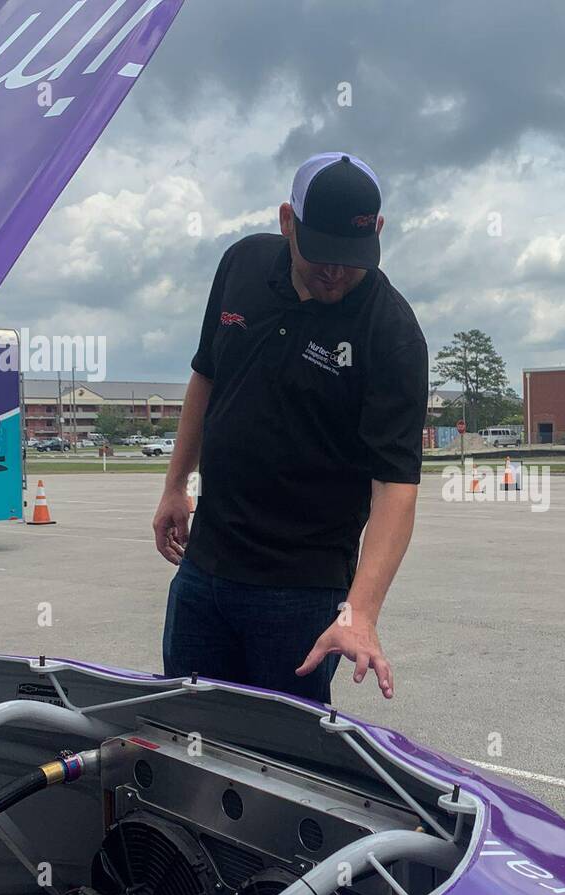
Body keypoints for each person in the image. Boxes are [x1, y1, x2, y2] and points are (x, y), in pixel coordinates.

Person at [154, 152, 428, 704]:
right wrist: (174, 484)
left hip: (300, 590)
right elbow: (206, 377)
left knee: (280, 762)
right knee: (185, 732)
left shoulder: (391, 333)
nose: (335, 272)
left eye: (352, 259)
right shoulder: (241, 265)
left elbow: (395, 486)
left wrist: (360, 613)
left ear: (377, 231)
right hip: (205, 569)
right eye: (322, 252)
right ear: (287, 222)